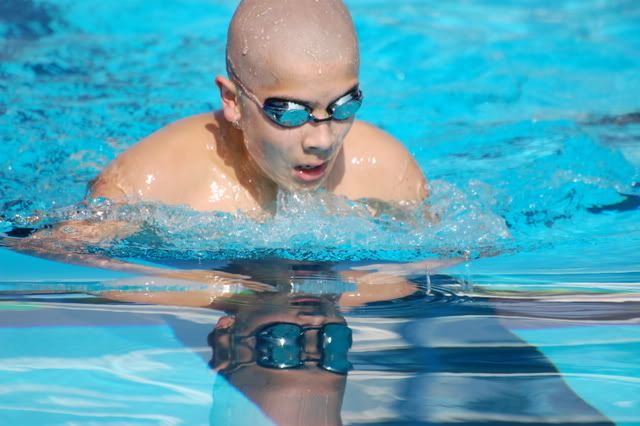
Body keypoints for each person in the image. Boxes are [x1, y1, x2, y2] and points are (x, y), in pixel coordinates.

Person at [90, 0, 427, 215]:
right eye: (291, 113)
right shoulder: (142, 188)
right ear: (233, 101)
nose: (323, 140)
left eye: (343, 106)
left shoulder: (390, 174)